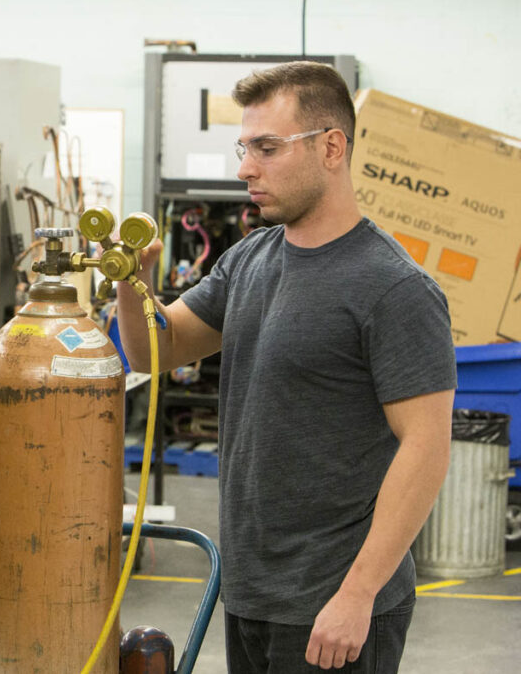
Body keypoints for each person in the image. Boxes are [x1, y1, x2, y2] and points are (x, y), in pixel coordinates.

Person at [117, 61, 457, 672]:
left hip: (334, 605)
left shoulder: (394, 288)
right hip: (252, 591)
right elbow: (154, 351)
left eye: (267, 148)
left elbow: (427, 448)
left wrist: (357, 596)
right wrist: (130, 283)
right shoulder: (250, 259)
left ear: (332, 148)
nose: (246, 167)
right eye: (244, 147)